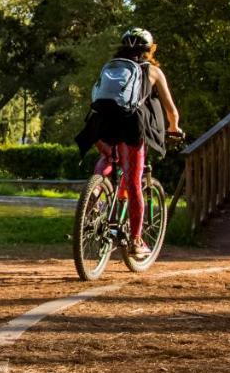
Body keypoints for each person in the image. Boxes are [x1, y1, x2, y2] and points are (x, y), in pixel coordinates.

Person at [76, 27, 182, 259]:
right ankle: (135, 240)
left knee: (108, 159)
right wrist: (174, 128)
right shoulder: (152, 71)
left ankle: (90, 206)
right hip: (131, 127)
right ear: (150, 49)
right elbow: (171, 110)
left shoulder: (111, 68)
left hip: (100, 124)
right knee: (134, 180)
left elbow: (95, 96)